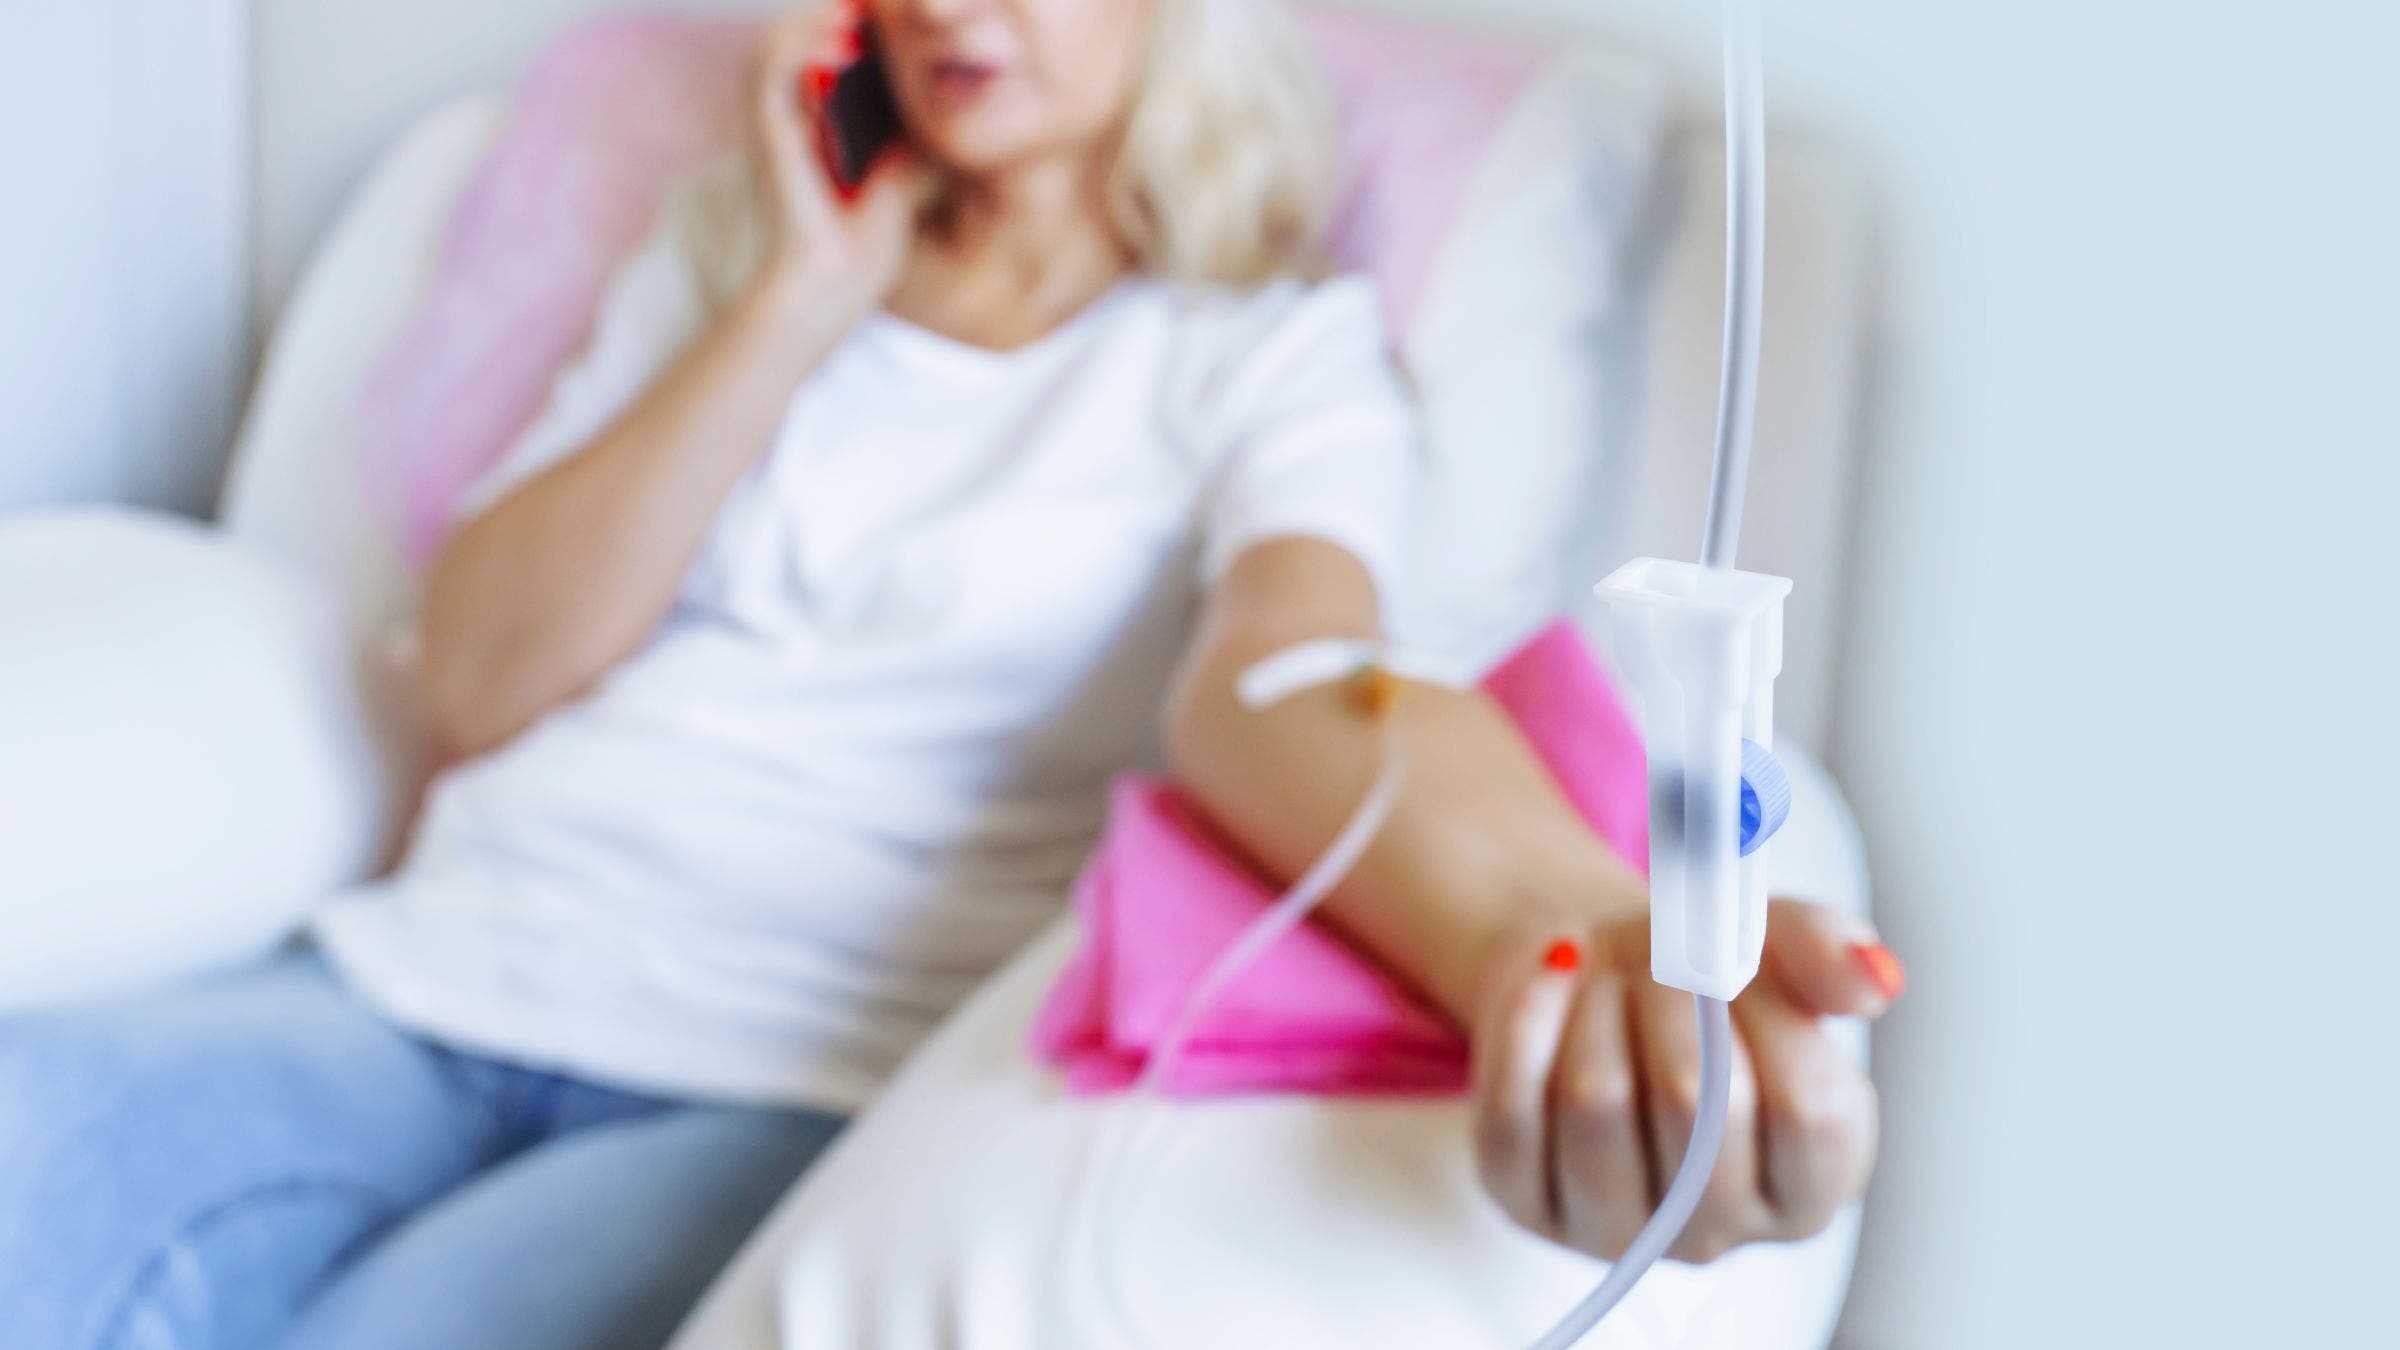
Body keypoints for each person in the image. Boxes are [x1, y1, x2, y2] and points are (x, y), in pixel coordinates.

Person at [0, 0, 1900, 1346]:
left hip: (770, 1069)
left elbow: (1296, 680)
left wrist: (1543, 924)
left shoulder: (1263, 356)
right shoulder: (734, 270)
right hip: (414, 979)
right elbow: (486, 675)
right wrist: (796, 297)